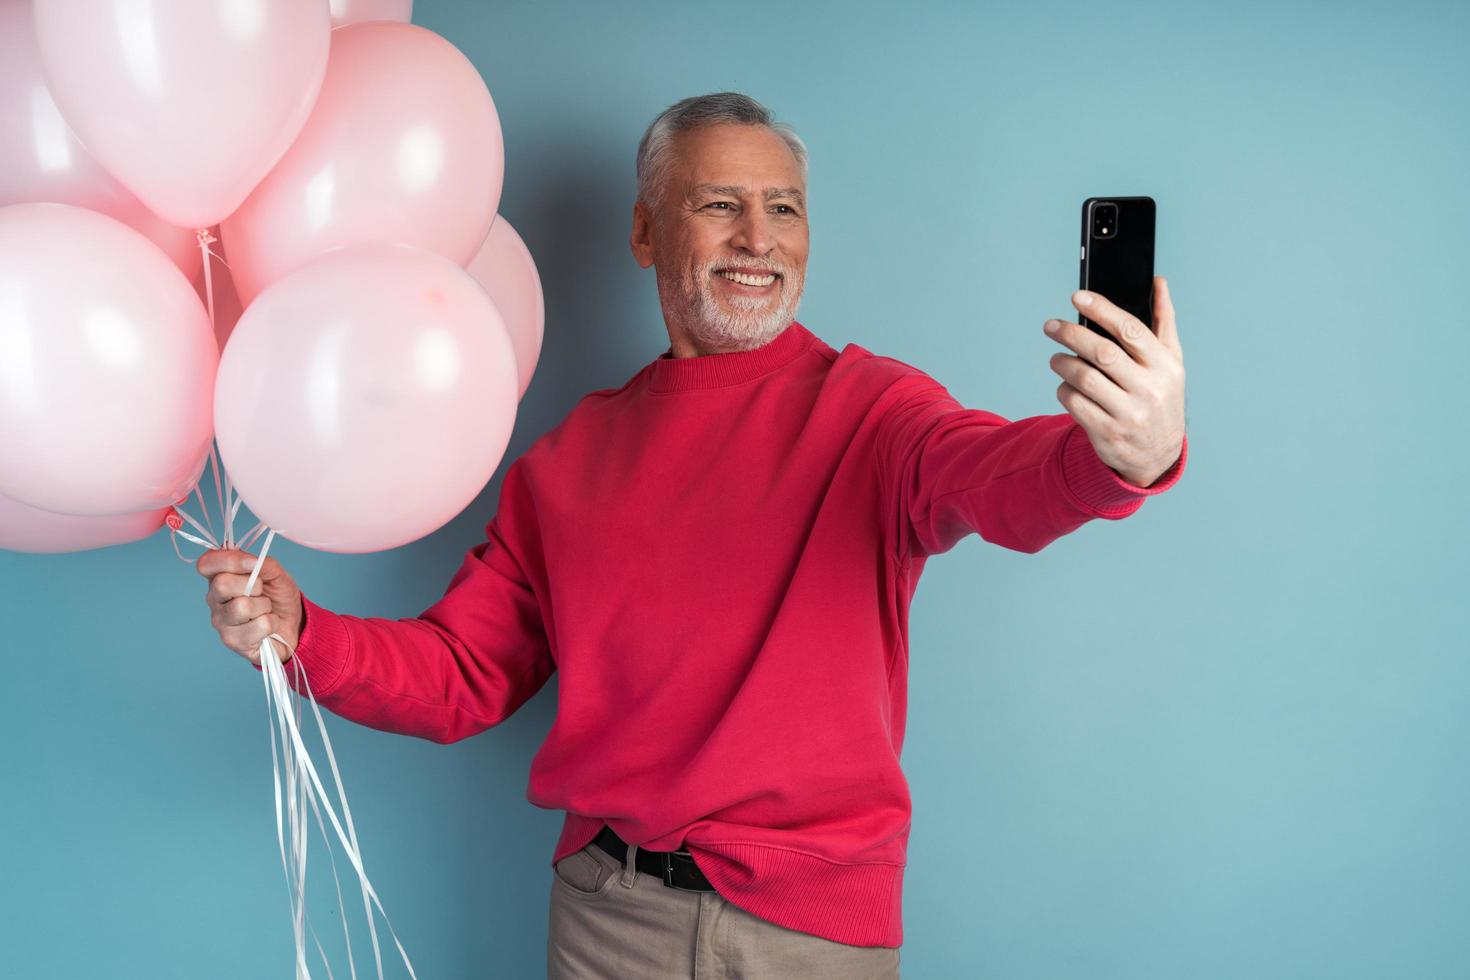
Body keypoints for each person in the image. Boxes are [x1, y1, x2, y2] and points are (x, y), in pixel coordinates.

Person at [198, 91, 1188, 979]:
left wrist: (1116, 454)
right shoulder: (569, 459)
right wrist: (307, 631)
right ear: (645, 228)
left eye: (784, 207)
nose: (757, 237)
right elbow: (465, 670)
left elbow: (997, 477)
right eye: (719, 204)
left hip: (808, 939)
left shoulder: (873, 412)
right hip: (605, 923)